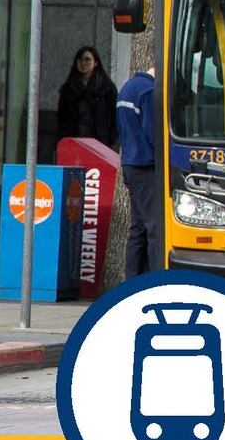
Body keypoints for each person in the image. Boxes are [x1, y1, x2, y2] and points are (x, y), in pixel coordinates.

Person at [116, 63, 164, 278]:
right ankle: (156, 278)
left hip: (130, 164)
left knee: (138, 227)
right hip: (146, 165)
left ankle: (133, 277)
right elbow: (153, 133)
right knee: (155, 226)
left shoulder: (129, 87)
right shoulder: (149, 90)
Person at [57, 46, 118, 150]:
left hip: (100, 142)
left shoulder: (106, 87)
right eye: (80, 60)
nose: (83, 63)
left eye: (87, 60)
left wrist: (111, 141)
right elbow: (61, 116)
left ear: (95, 63)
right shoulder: (69, 88)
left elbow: (114, 116)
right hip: (75, 139)